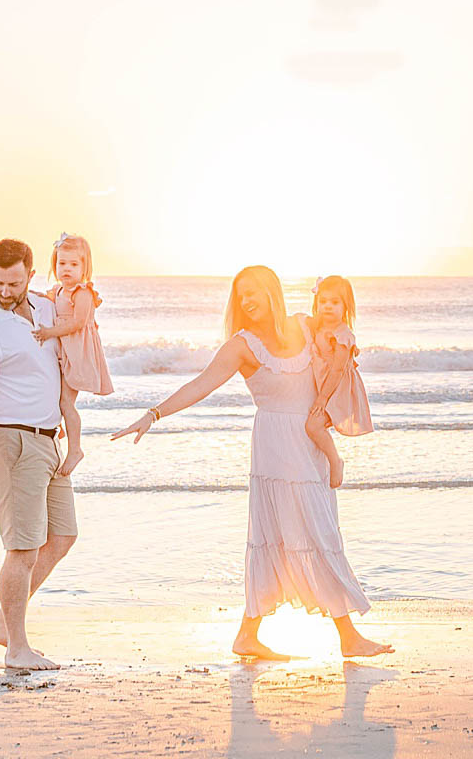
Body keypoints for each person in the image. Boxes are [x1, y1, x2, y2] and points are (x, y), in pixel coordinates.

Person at [112, 266, 392, 659]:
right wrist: (153, 414)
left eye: (254, 292)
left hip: (309, 443)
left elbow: (336, 336)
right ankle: (338, 637)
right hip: (276, 447)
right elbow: (200, 385)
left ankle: (264, 635)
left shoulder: (303, 326)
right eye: (241, 294)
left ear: (273, 293)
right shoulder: (241, 345)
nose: (247, 300)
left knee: (319, 532)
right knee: (282, 536)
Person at [0, 237, 75, 672]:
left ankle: (4, 623)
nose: (5, 291)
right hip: (11, 442)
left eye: (14, 282)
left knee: (62, 536)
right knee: (21, 549)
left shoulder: (43, 308)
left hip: (48, 440)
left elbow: (78, 305)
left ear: (31, 275)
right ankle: (16, 648)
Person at [32, 231, 113, 477]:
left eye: (73, 264)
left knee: (67, 402)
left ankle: (75, 449)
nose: (66, 269)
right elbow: (45, 299)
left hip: (78, 351)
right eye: (61, 263)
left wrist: (49, 332)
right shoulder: (57, 291)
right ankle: (61, 425)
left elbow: (78, 323)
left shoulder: (83, 292)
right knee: (55, 393)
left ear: (84, 267)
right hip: (63, 349)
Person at [303, 275, 373, 489]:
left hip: (335, 388)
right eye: (323, 301)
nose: (328, 307)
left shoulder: (341, 335)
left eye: (334, 303)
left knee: (313, 425)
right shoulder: (318, 326)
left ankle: (335, 460)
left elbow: (337, 370)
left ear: (345, 306)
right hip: (322, 383)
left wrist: (323, 398)